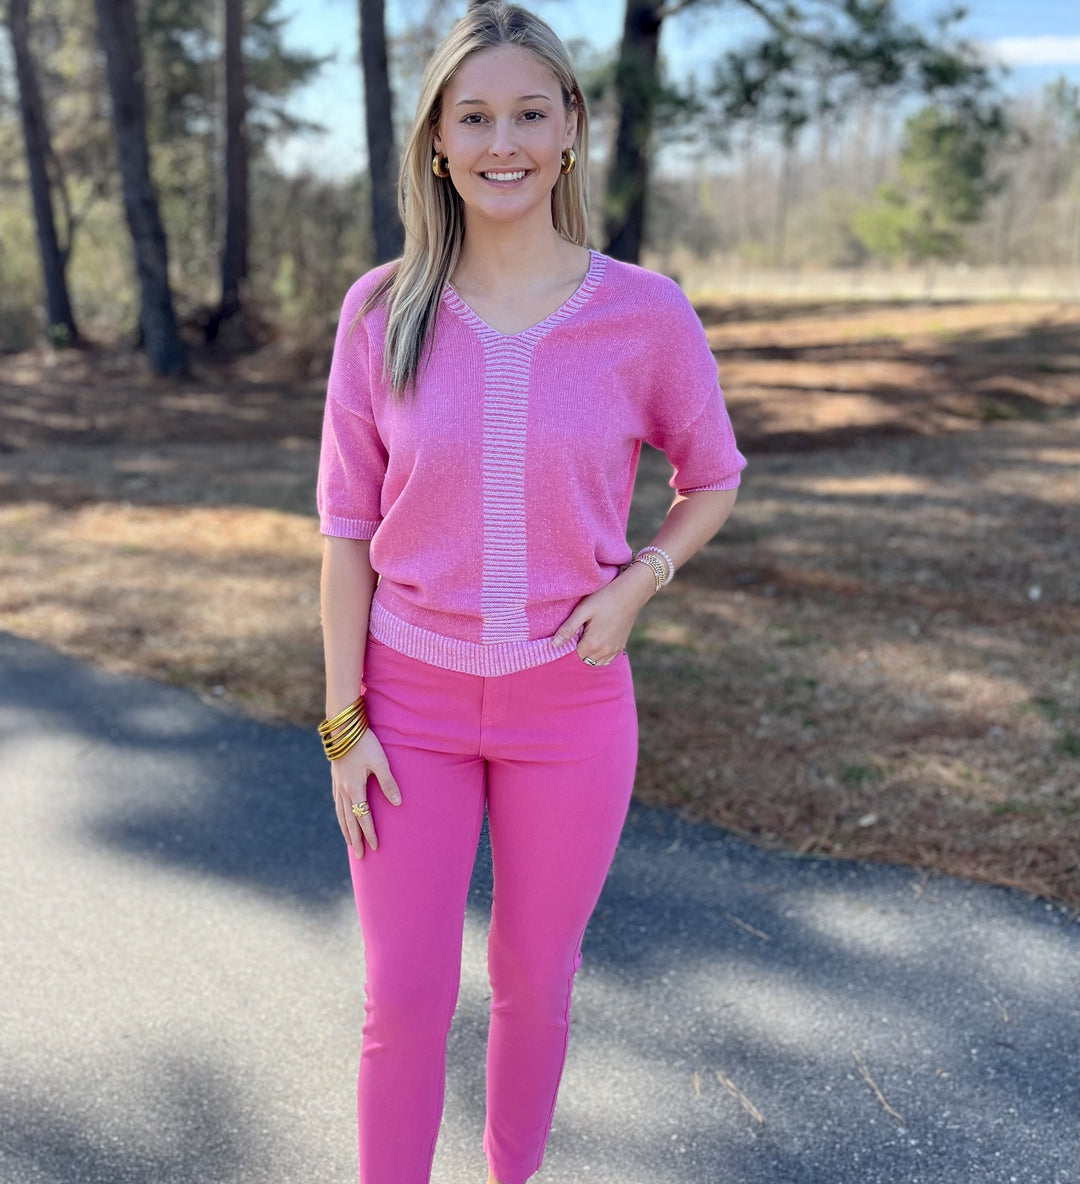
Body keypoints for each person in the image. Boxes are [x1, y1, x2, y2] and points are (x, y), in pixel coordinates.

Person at [316, 4, 745, 1181]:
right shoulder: (380, 308)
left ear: (568, 132)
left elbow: (713, 477)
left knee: (533, 983)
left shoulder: (643, 313)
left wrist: (639, 584)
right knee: (402, 996)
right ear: (438, 142)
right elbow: (347, 531)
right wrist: (344, 721)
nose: (502, 140)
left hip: (572, 706)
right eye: (475, 116)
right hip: (405, 709)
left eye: (529, 113)